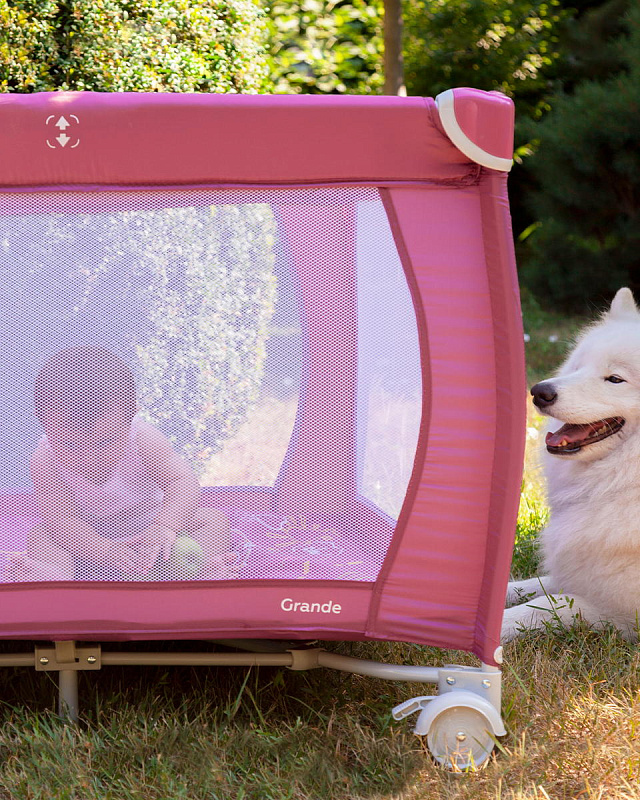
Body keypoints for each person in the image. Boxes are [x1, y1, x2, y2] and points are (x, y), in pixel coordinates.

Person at [9, 346, 231, 581]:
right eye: (69, 444)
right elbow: (62, 521)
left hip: (154, 538)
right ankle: (60, 579)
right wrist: (102, 550)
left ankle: (199, 573)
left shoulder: (144, 440)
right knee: (42, 535)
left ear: (131, 414)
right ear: (42, 420)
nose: (88, 458)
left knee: (213, 520)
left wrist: (166, 526)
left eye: (104, 442)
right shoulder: (45, 460)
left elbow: (182, 481)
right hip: (88, 545)